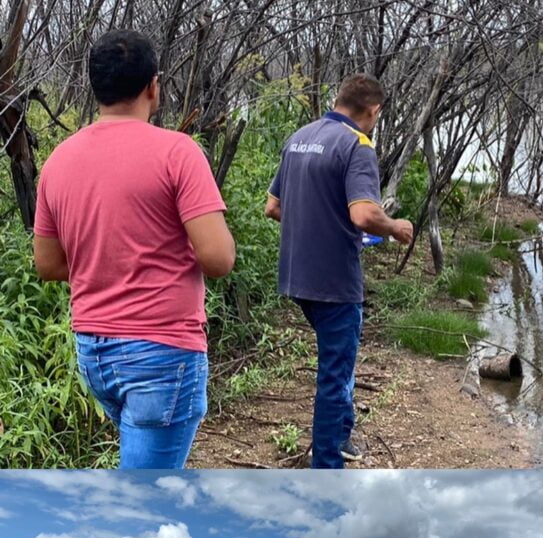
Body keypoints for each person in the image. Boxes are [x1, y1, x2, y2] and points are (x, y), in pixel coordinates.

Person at [33, 29, 235, 469]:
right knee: (145, 504)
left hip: (93, 351)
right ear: (153, 86)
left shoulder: (59, 161)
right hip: (160, 353)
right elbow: (218, 259)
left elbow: (48, 264)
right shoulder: (177, 153)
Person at [264, 74, 414, 468]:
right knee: (335, 373)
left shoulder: (300, 136)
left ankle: (343, 435)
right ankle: (327, 466)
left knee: (339, 362)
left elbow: (273, 207)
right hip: (334, 281)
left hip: (296, 275)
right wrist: (395, 227)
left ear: (338, 99)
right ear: (373, 110)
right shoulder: (356, 145)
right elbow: (364, 214)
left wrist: (321, 225)